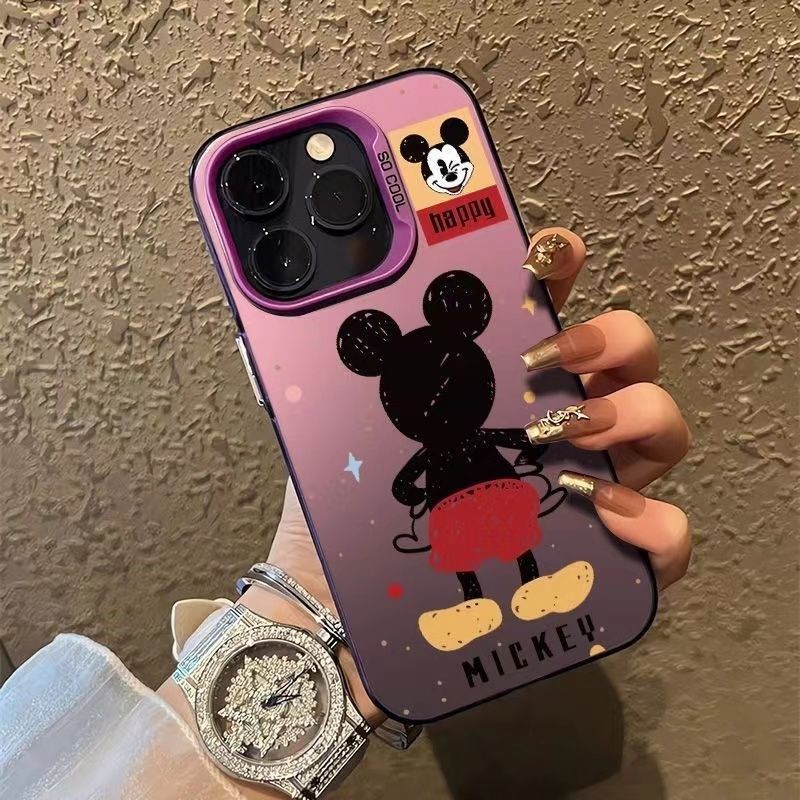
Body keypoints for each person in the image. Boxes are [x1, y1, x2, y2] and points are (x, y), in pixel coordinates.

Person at [0, 229, 691, 800]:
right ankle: (488, 598)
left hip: (478, 496)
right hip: (463, 503)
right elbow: (420, 475)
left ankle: (530, 583)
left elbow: (507, 438)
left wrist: (315, 611)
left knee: (515, 543)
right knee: (487, 553)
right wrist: (330, 608)